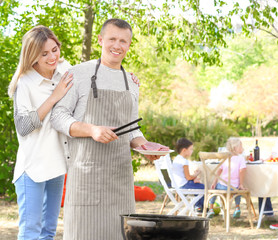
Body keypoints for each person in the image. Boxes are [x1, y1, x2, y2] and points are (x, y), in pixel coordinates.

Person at [50, 18, 168, 240]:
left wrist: (145, 146)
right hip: (86, 176)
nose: (117, 45)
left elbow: (132, 128)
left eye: (123, 41)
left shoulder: (131, 82)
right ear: (100, 40)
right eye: (112, 39)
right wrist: (92, 129)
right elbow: (57, 116)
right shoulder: (79, 73)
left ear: (129, 45)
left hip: (120, 179)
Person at [7, 26, 73, 239]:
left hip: (57, 164)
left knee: (49, 231)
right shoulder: (24, 83)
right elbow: (24, 126)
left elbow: (92, 79)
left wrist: (125, 77)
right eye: (44, 53)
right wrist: (54, 97)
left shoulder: (65, 69)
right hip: (32, 168)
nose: (52, 57)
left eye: (55, 49)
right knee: (31, 232)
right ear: (33, 55)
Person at [206, 137, 247, 218]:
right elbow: (242, 170)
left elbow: (219, 170)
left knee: (213, 190)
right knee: (238, 190)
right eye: (241, 146)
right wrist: (241, 184)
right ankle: (237, 208)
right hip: (234, 187)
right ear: (235, 148)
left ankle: (211, 209)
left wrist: (214, 182)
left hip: (222, 186)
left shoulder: (225, 158)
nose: (243, 148)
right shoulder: (241, 158)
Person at [172, 138, 204, 212]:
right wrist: (196, 174)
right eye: (191, 149)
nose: (192, 151)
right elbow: (188, 177)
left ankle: (197, 206)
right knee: (203, 187)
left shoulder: (176, 159)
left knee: (197, 186)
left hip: (177, 184)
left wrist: (193, 179)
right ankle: (199, 207)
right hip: (183, 185)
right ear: (184, 150)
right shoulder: (184, 161)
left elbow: (184, 176)